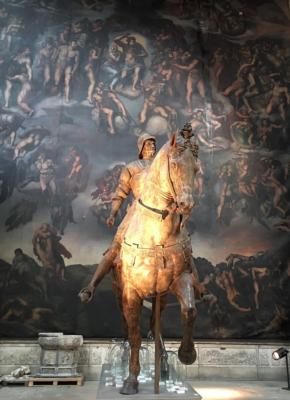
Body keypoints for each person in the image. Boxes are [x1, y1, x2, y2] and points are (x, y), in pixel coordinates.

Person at [79, 133, 156, 301]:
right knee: (115, 247)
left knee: (181, 246)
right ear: (141, 147)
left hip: (162, 212)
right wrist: (113, 213)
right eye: (149, 144)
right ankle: (91, 286)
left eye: (154, 144)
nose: (152, 147)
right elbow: (120, 193)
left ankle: (198, 287)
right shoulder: (132, 167)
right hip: (138, 212)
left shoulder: (162, 166)